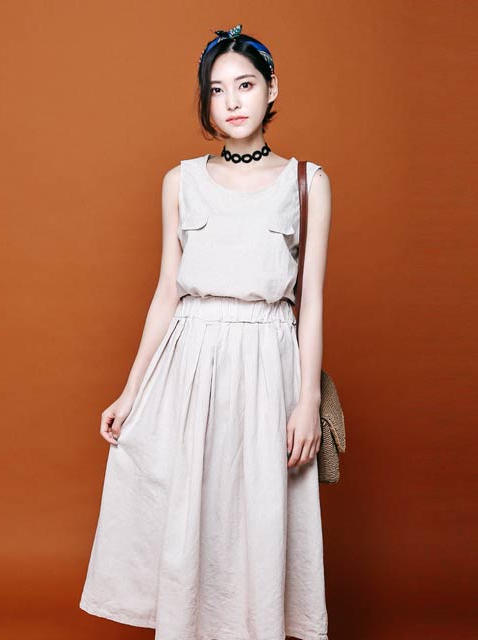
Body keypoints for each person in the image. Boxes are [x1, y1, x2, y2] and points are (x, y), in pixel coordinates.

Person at [79, 23, 332, 640]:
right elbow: (167, 290)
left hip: (267, 359)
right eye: (217, 90)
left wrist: (306, 400)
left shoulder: (308, 182)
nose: (233, 102)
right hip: (190, 363)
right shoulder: (181, 181)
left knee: (259, 515)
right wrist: (129, 392)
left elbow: (312, 300)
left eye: (245, 85)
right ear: (206, 101)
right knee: (191, 514)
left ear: (272, 89)